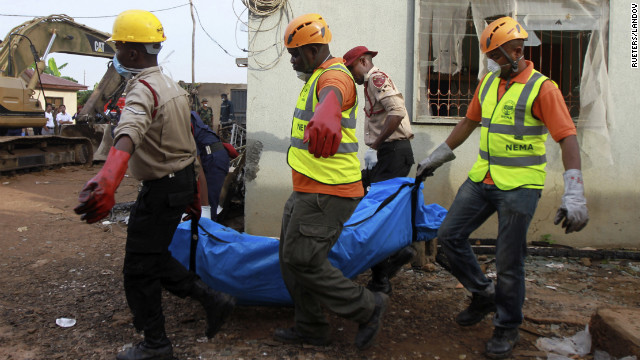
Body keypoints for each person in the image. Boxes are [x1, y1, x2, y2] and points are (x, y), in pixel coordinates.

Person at [416, 17, 589, 359]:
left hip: (520, 186)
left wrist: (574, 190)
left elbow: (567, 137)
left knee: (509, 261)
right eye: (493, 55)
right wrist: (437, 156)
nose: (498, 60)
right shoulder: (489, 84)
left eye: (502, 53)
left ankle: (507, 326)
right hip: (483, 178)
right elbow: (469, 121)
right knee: (449, 238)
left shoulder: (543, 88)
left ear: (516, 50)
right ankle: (484, 294)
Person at [73, 10, 235, 360]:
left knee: (137, 269)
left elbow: (128, 132)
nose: (116, 56)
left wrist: (108, 178)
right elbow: (186, 146)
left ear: (132, 53)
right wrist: (192, 194)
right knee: (153, 257)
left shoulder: (142, 90)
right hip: (178, 184)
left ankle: (156, 345)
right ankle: (212, 298)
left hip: (161, 190)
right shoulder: (172, 87)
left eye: (117, 50)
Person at [274, 13, 388, 351]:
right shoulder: (317, 76)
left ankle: (368, 308)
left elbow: (335, 93)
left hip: (329, 190)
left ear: (312, 50)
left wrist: (328, 111)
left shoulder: (335, 75)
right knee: (289, 259)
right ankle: (310, 327)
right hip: (309, 187)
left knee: (304, 260)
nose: (293, 61)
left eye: (296, 54)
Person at [343, 45, 417, 296]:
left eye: (352, 67)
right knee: (373, 208)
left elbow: (397, 112)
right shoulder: (368, 85)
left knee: (375, 214)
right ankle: (393, 258)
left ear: (363, 61)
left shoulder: (376, 78)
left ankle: (383, 275)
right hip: (389, 154)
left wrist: (376, 144)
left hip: (393, 152)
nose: (352, 74)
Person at [190, 110, 238, 220]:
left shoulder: (183, 119)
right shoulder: (187, 114)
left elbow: (198, 166)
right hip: (210, 156)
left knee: (209, 205)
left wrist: (205, 208)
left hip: (213, 158)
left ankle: (208, 230)